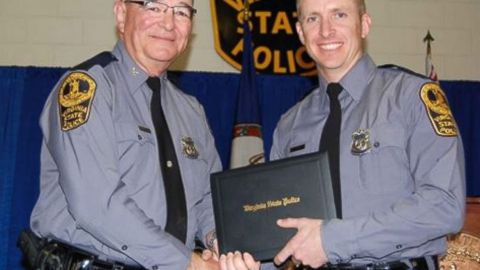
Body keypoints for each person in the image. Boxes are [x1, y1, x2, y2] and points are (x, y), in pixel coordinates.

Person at [221, 0, 466, 269]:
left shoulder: (411, 97)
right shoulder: (290, 124)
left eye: (339, 14)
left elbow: (445, 206)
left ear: (364, 24)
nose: (326, 31)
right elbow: (281, 231)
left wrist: (333, 241)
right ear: (301, 33)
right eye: (313, 19)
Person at [25, 0, 221, 269]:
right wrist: (188, 263)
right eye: (154, 7)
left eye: (181, 12)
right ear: (121, 14)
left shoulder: (192, 111)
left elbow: (208, 199)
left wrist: (217, 240)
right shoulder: (86, 88)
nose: (168, 23)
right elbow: (96, 204)